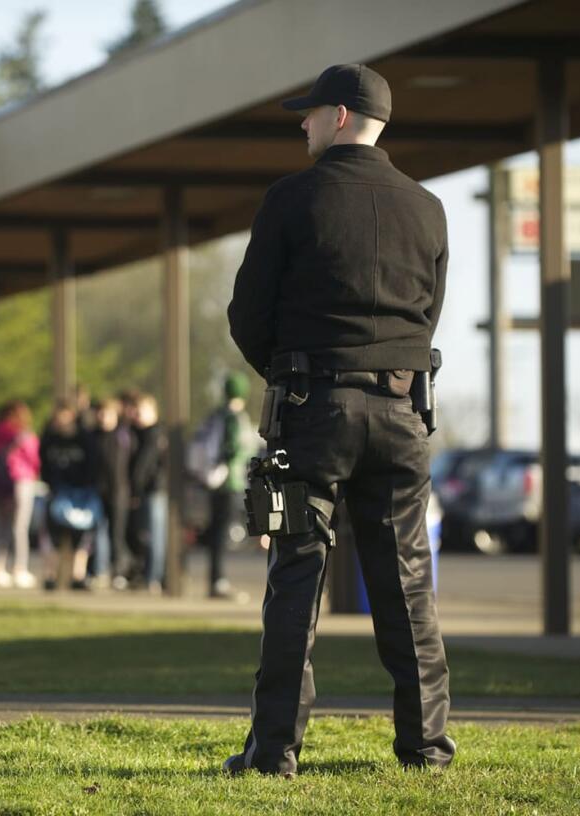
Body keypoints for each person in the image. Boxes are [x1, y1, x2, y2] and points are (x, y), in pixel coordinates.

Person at [223, 64, 454, 776]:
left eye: (311, 113)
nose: (303, 123)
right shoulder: (428, 208)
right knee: (409, 582)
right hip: (400, 414)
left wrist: (295, 377)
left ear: (343, 117)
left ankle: (274, 755)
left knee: (296, 572)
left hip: (311, 415)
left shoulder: (292, 199)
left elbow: (247, 315)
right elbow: (428, 316)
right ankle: (426, 749)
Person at [195, 372, 257, 600]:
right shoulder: (234, 418)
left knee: (216, 531)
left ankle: (215, 579)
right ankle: (218, 581)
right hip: (229, 480)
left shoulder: (216, 415)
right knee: (221, 533)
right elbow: (234, 449)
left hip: (213, 480)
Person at [39, 398, 101, 590]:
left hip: (82, 492)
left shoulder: (85, 439)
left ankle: (78, 575)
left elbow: (94, 465)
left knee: (82, 535)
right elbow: (43, 463)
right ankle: (51, 575)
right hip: (57, 491)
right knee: (52, 534)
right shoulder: (49, 438)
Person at [0, 401, 41, 588]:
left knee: (1, 527)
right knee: (19, 527)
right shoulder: (22, 435)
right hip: (20, 482)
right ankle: (19, 568)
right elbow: (34, 459)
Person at [126, 392, 166, 593]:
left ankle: (153, 577)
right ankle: (149, 575)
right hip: (147, 490)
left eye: (140, 410)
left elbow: (144, 465)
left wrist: (135, 487)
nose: (136, 415)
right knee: (146, 535)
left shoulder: (154, 434)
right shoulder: (137, 432)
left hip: (154, 490)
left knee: (155, 536)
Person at [92, 398, 132, 586]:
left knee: (116, 534)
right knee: (97, 533)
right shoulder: (93, 437)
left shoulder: (122, 436)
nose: (102, 417)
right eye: (100, 413)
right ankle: (99, 570)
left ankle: (119, 571)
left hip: (118, 492)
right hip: (97, 493)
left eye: (107, 413)